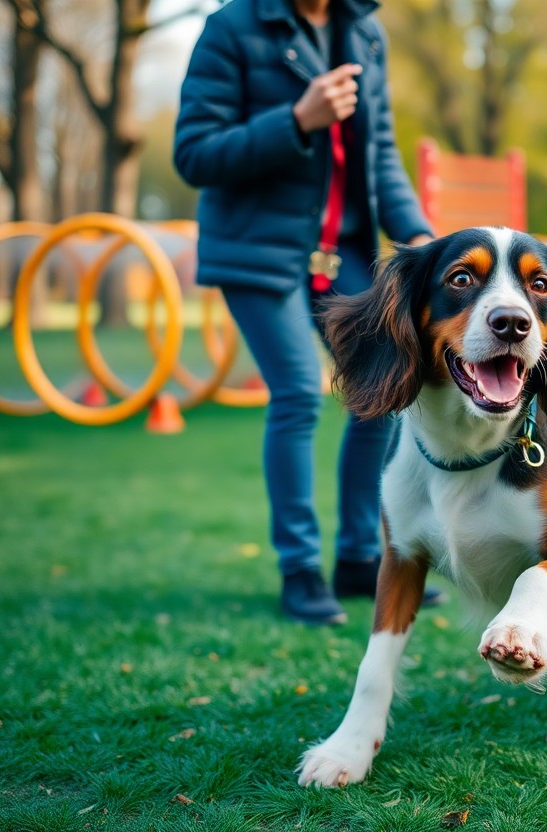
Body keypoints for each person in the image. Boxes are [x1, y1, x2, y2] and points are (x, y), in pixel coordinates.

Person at [173, 0, 441, 624]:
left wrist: (420, 239)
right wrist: (295, 120)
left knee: (380, 388)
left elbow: (380, 154)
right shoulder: (232, 28)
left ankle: (358, 560)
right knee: (297, 391)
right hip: (257, 250)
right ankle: (299, 570)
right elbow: (194, 152)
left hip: (340, 252)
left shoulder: (364, 32)